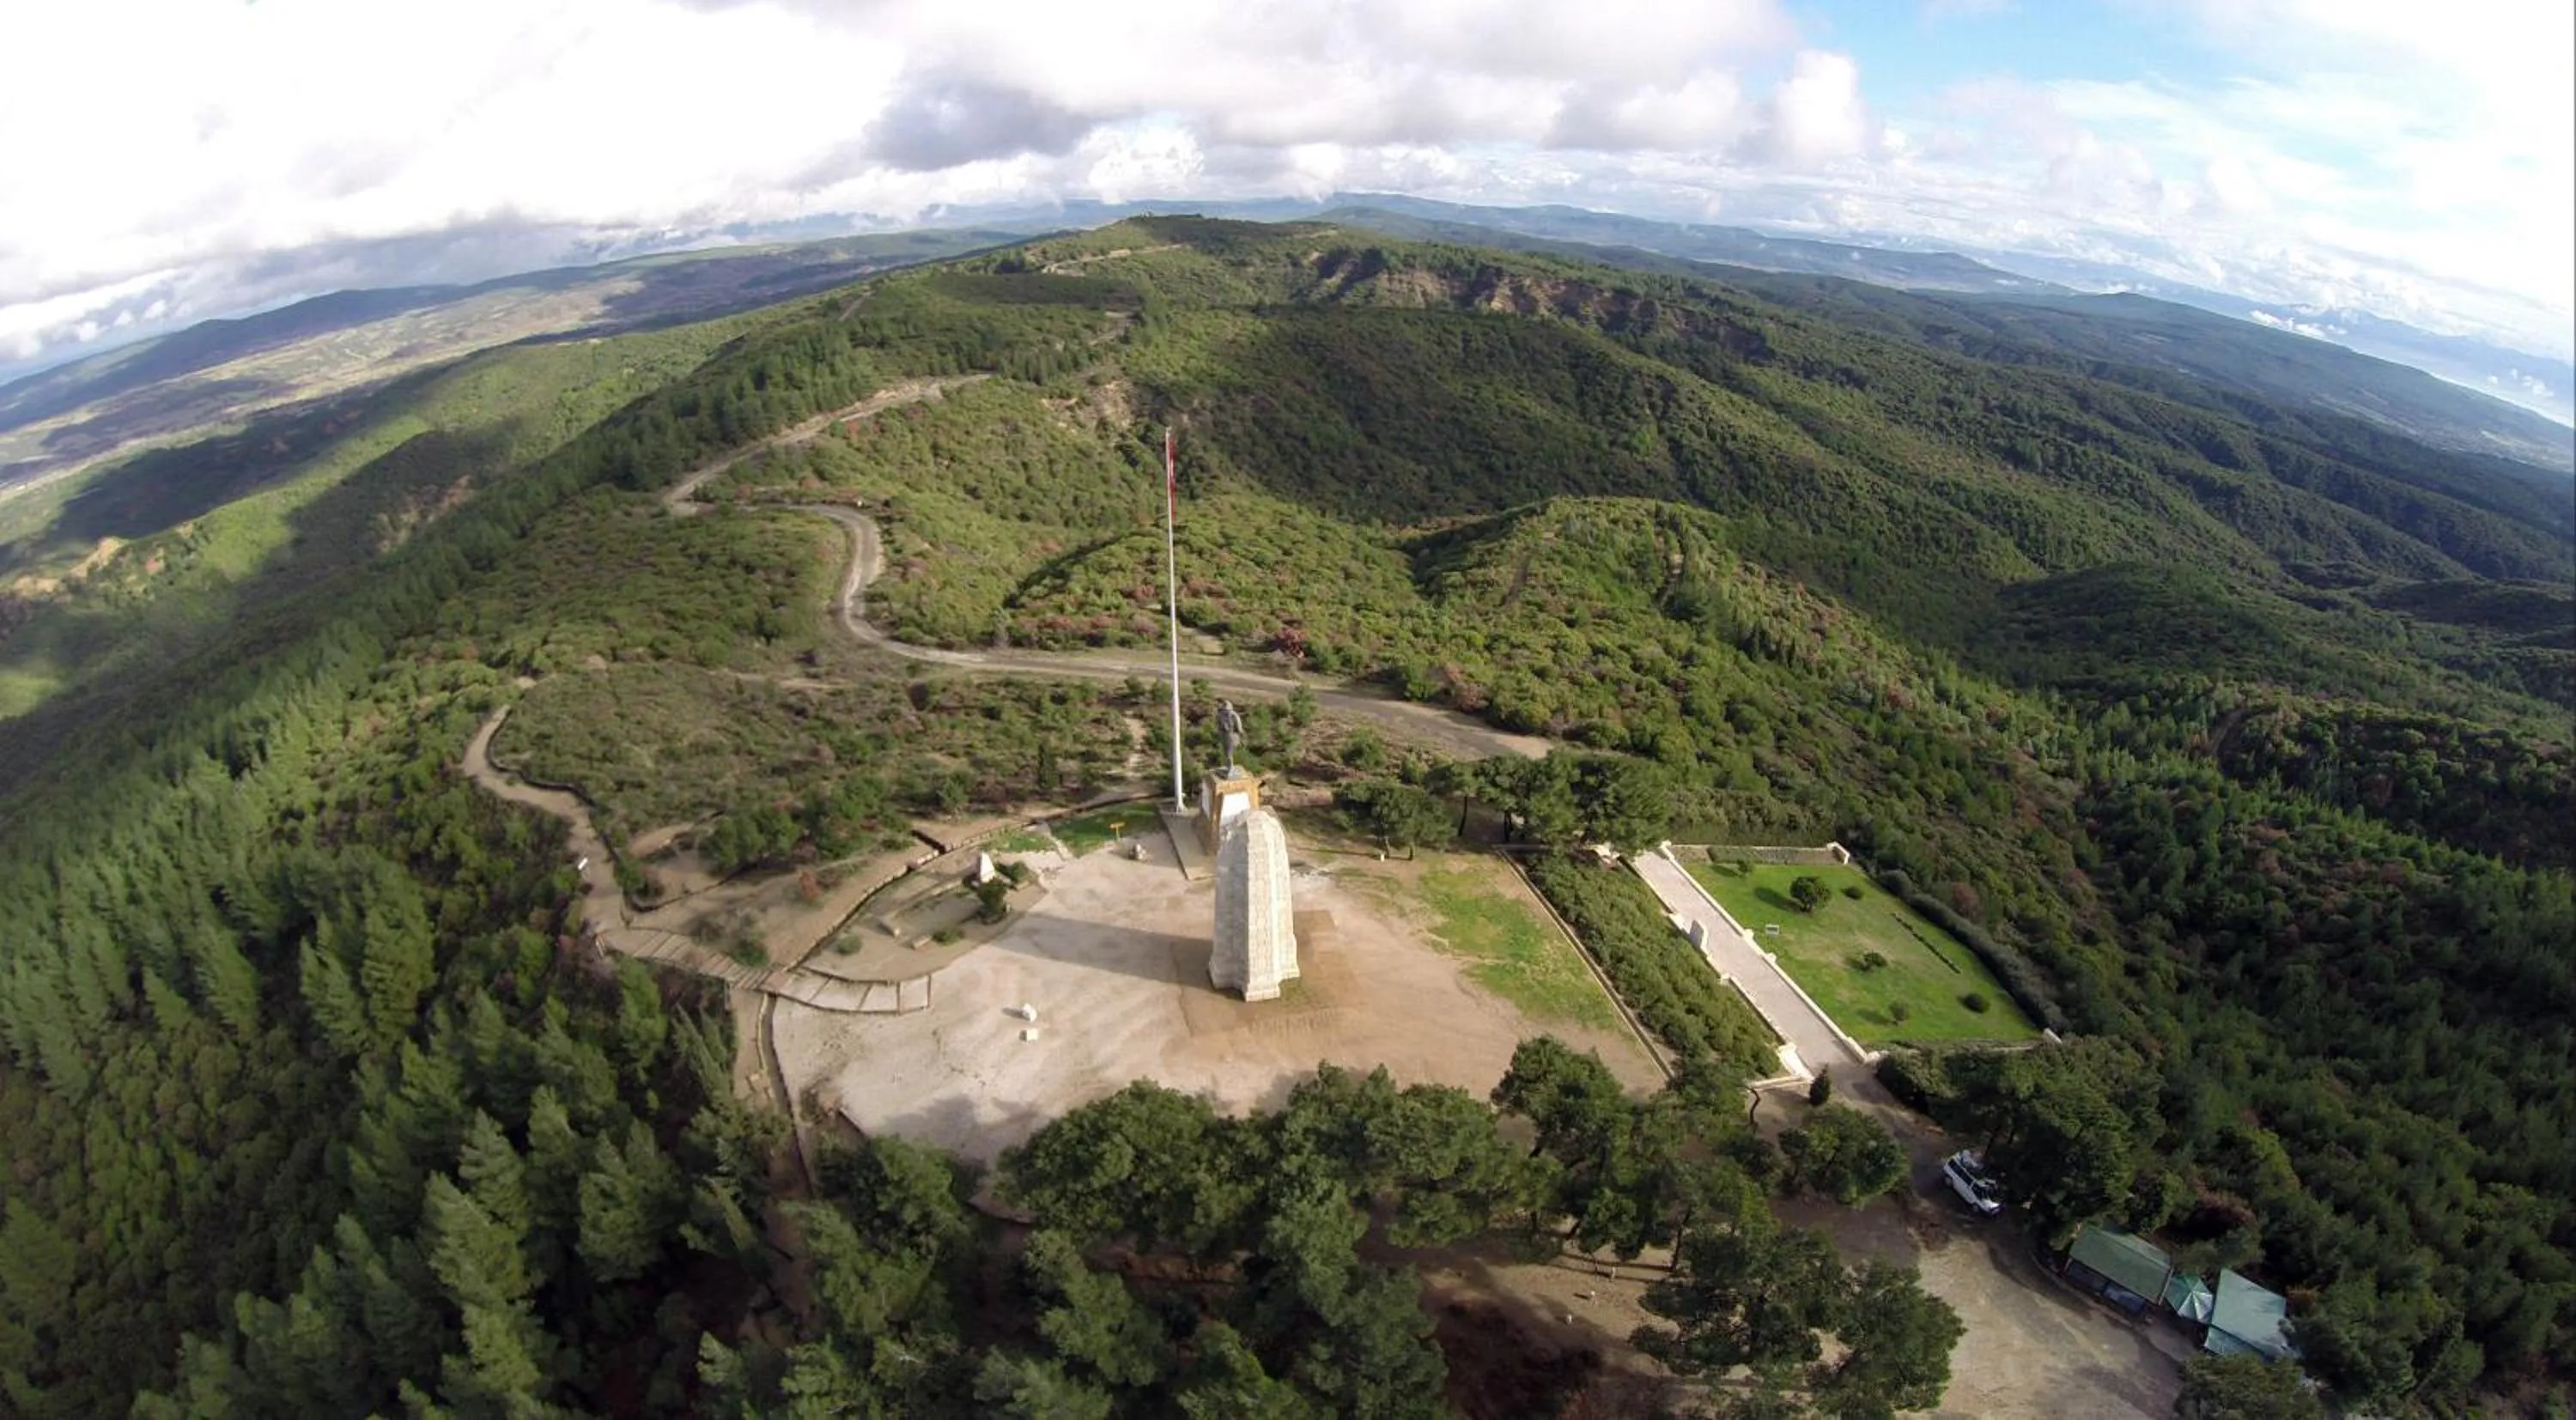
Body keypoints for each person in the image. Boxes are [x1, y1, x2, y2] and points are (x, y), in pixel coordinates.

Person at [1215, 699, 1245, 773]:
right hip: (1232, 736)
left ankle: (1229, 766)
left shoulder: (1220, 715)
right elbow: (1240, 729)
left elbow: (1218, 726)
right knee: (1229, 753)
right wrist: (1243, 737)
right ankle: (1230, 767)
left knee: (1227, 753)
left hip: (1224, 735)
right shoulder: (1234, 715)